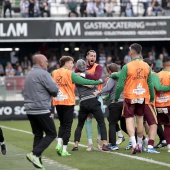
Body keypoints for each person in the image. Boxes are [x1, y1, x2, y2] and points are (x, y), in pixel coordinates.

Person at [52, 56, 103, 156]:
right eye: (71, 63)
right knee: (67, 126)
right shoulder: (70, 73)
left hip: (58, 101)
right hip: (68, 102)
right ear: (66, 63)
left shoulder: (54, 72)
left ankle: (58, 144)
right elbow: (84, 81)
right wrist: (98, 82)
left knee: (62, 124)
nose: (73, 65)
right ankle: (64, 150)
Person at [114, 43, 155, 154]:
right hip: (142, 96)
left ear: (131, 52)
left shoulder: (126, 66)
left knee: (129, 119)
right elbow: (150, 84)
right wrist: (152, 96)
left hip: (130, 96)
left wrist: (116, 97)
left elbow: (120, 85)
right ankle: (140, 145)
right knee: (140, 120)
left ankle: (134, 143)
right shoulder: (146, 66)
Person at [24, 54, 58, 169]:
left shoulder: (29, 73)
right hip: (41, 108)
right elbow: (54, 89)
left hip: (29, 109)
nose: (47, 63)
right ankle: (34, 154)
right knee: (52, 133)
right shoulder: (43, 74)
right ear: (40, 62)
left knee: (38, 134)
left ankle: (36, 159)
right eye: (46, 61)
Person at [72, 59, 110, 152]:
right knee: (101, 122)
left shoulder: (75, 76)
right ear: (85, 66)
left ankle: (75, 145)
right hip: (93, 101)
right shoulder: (89, 75)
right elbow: (93, 86)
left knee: (80, 125)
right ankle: (105, 143)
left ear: (77, 67)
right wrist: (91, 83)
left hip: (83, 102)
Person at [94, 63, 127, 151]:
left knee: (112, 123)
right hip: (124, 102)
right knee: (124, 125)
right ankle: (138, 139)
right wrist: (107, 97)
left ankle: (113, 144)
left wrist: (99, 92)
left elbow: (108, 88)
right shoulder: (122, 76)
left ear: (109, 71)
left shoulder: (112, 77)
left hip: (116, 103)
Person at [75, 50, 104, 151]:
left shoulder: (98, 67)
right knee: (88, 120)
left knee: (100, 118)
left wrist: (82, 75)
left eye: (95, 56)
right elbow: (75, 80)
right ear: (87, 57)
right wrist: (89, 83)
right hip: (85, 97)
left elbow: (96, 77)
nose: (93, 58)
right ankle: (90, 142)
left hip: (97, 95)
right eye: (91, 56)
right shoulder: (79, 67)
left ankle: (99, 139)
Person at [155, 57, 170, 153]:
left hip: (159, 104)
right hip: (169, 103)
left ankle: (169, 145)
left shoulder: (157, 75)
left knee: (167, 126)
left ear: (162, 65)